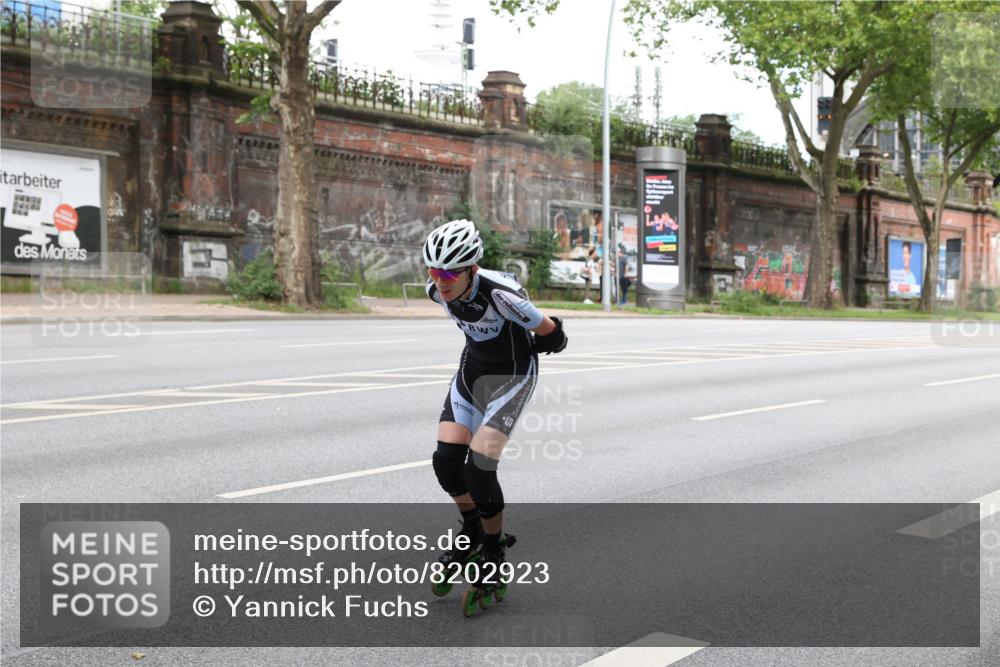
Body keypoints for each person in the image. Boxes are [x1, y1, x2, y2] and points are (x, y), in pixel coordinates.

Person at [423, 219, 568, 601]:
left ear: (472, 269)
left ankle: (494, 549)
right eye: (434, 271)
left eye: (449, 273)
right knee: (446, 461)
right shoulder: (436, 291)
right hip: (473, 372)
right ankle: (472, 526)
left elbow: (552, 332)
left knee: (479, 469)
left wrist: (553, 339)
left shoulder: (503, 296)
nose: (440, 280)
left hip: (512, 377)